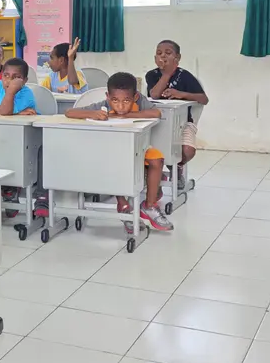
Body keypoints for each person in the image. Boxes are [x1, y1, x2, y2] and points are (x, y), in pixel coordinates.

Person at [65, 72, 173, 232]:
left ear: (135, 97)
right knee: (117, 164)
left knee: (157, 159)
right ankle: (123, 205)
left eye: (126, 101)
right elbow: (69, 112)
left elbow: (156, 113)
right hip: (110, 151)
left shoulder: (141, 101)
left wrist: (127, 115)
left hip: (139, 148)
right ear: (108, 97)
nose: (120, 106)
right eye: (115, 100)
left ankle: (149, 206)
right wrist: (93, 114)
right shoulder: (103, 106)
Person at [145, 40, 208, 185]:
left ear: (177, 58)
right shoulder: (152, 75)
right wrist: (166, 74)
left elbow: (204, 99)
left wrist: (182, 94)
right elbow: (154, 95)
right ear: (155, 58)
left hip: (184, 122)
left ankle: (177, 166)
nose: (163, 57)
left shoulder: (184, 76)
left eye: (168, 53)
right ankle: (155, 171)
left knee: (187, 151)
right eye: (159, 53)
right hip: (159, 121)